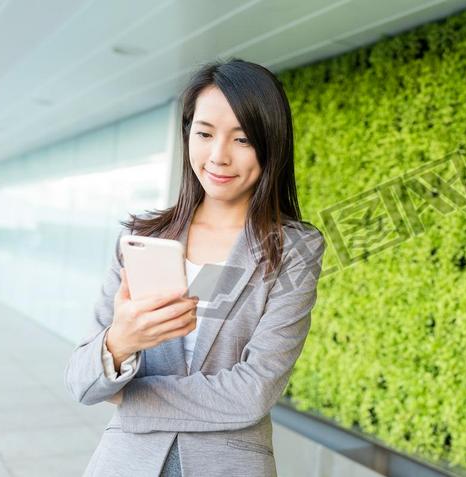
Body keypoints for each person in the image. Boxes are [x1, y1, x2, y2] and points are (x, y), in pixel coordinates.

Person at [64, 58, 326, 476]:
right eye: (204, 133)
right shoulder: (141, 238)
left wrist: (130, 398)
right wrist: (119, 341)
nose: (218, 156)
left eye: (242, 140)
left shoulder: (293, 248)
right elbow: (82, 380)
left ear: (270, 144)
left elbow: (253, 392)